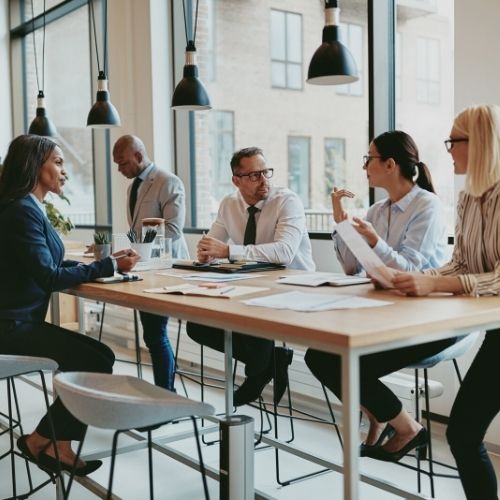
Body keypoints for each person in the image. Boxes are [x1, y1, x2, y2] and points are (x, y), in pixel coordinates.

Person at [305, 130, 455, 461]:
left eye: (368, 159)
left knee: (342, 360)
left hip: (425, 316)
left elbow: (412, 271)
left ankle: (407, 428)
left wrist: (375, 243)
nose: (364, 167)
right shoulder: (376, 211)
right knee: (318, 355)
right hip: (385, 309)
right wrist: (341, 223)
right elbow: (350, 269)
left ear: (389, 164)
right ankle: (380, 417)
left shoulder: (427, 206)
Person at [0, 134, 139, 476]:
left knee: (100, 357)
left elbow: (44, 266)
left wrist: (107, 264)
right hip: (12, 327)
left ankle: (57, 442)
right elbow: (48, 277)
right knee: (94, 360)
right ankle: (43, 439)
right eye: (58, 162)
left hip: (17, 321)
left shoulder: (26, 207)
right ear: (35, 166)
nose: (65, 172)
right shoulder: (21, 210)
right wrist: (108, 267)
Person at [392, 105, 500, 499]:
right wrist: (420, 279)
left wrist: (439, 286)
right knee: (464, 433)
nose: (448, 150)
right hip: (495, 328)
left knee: (462, 433)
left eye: (454, 140)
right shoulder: (469, 198)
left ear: (481, 143)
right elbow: (461, 263)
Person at [186, 146, 315, 406]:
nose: (264, 180)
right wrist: (206, 253)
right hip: (252, 284)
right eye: (254, 175)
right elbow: (212, 242)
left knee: (252, 313)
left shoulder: (287, 201)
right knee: (196, 323)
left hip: (293, 286)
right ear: (237, 180)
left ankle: (259, 370)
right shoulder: (229, 204)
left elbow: (284, 253)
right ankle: (268, 362)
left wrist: (228, 251)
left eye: (266, 172)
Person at [113, 135, 189, 392]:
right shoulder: (132, 186)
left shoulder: (168, 182)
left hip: (165, 270)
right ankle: (165, 394)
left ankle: (166, 395)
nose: (120, 169)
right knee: (152, 335)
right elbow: (135, 229)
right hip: (142, 270)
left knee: (155, 335)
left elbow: (174, 231)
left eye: (122, 163)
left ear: (138, 156)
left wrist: (141, 245)